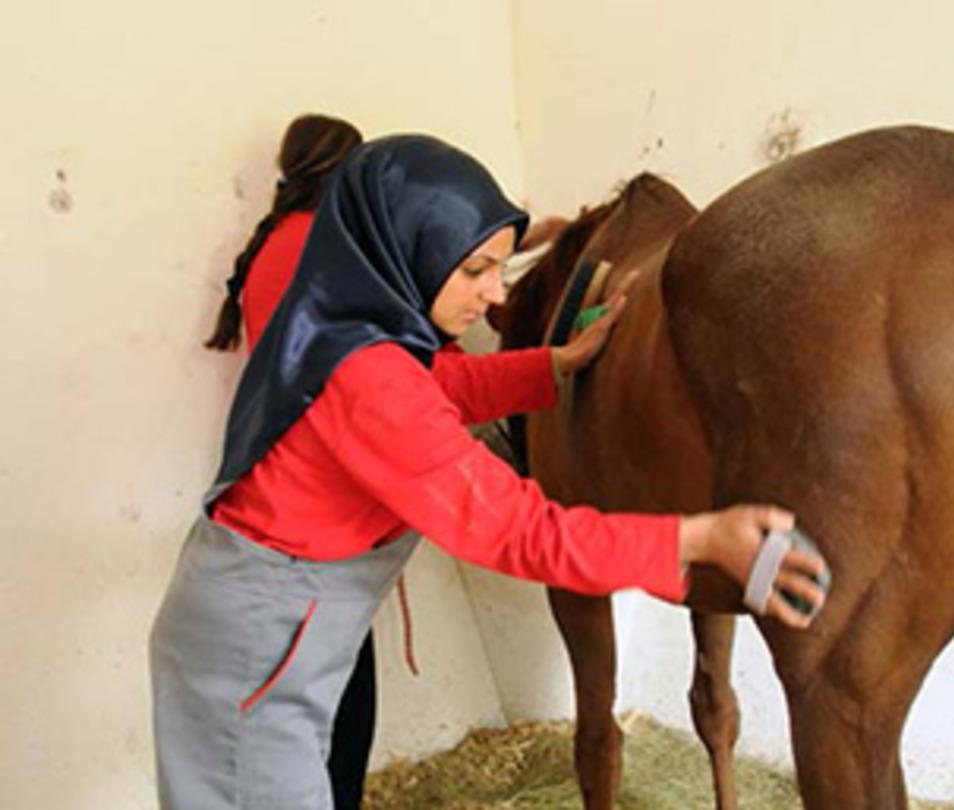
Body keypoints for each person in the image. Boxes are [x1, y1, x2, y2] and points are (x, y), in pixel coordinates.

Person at [151, 133, 827, 810]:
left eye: (499, 269)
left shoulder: (347, 330)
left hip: (263, 623)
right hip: (258, 640)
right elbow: (521, 533)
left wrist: (554, 363)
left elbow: (440, 383)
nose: (493, 294)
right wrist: (697, 540)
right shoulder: (368, 378)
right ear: (410, 249)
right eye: (475, 270)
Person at [202, 113, 376, 810]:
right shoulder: (318, 250)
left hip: (287, 498)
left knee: (323, 690)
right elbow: (385, 352)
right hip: (319, 510)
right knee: (340, 697)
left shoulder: (279, 243)